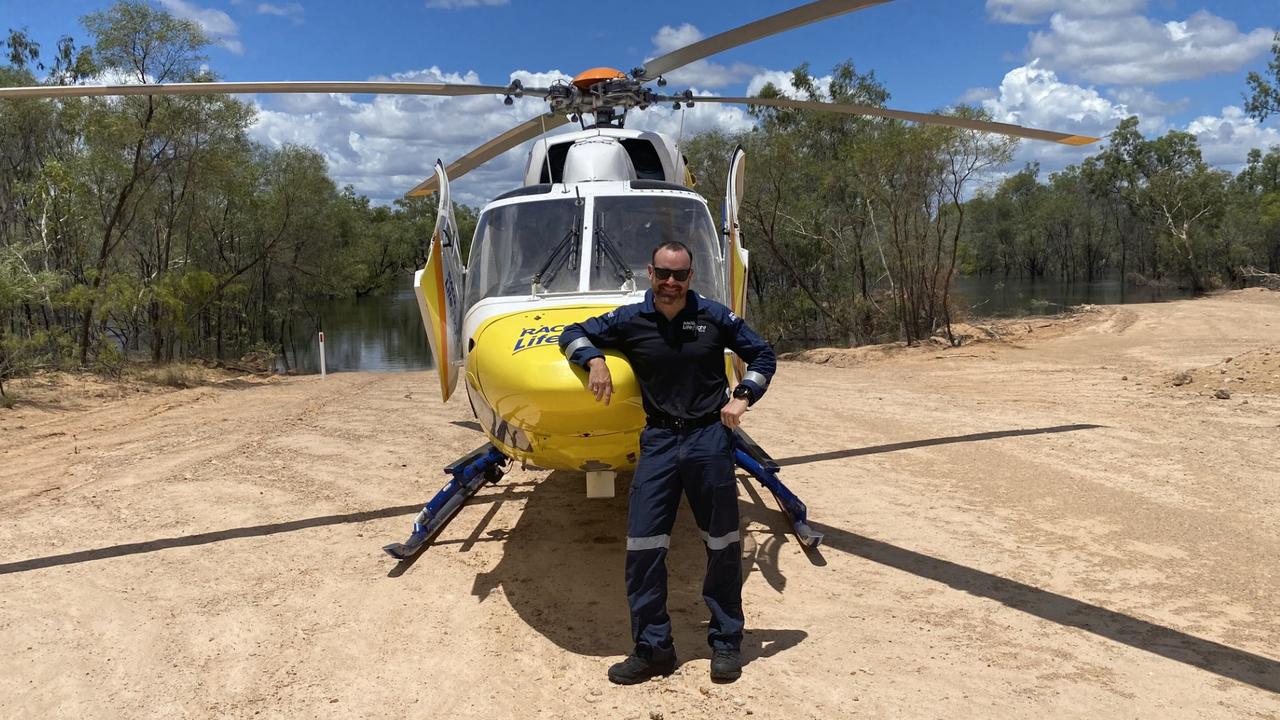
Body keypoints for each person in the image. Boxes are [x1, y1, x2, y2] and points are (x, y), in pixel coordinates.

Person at [559, 240, 776, 685]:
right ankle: (653, 649)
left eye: (679, 275)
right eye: (663, 273)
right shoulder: (630, 319)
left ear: (690, 277)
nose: (671, 283)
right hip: (658, 439)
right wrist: (594, 359)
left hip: (708, 438)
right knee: (643, 546)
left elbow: (763, 354)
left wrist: (743, 395)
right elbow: (572, 333)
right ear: (650, 273)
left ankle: (726, 643)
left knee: (722, 543)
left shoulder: (714, 317)